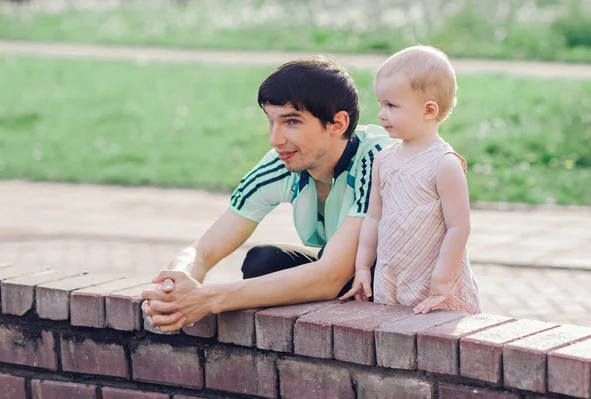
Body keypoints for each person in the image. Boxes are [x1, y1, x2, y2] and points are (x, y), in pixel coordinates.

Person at [141, 56, 395, 332]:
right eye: (271, 122)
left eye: (292, 122)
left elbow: (331, 276)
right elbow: (202, 251)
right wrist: (173, 288)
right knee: (264, 261)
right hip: (344, 276)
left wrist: (208, 299)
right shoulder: (282, 162)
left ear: (337, 123)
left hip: (395, 286)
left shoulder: (377, 159)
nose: (275, 139)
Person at [339, 45, 481, 314]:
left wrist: (441, 282)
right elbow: (374, 218)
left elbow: (458, 227)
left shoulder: (444, 163)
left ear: (428, 110)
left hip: (435, 282)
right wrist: (362, 267)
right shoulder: (384, 159)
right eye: (381, 104)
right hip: (392, 277)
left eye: (391, 105)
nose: (381, 113)